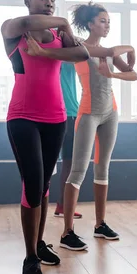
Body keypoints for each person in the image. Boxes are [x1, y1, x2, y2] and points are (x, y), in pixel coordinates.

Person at [1, 0, 89, 274]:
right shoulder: (13, 28)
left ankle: (39, 245)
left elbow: (82, 54)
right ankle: (29, 258)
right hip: (23, 117)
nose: (48, 4)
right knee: (32, 182)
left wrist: (51, 48)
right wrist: (64, 24)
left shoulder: (55, 36)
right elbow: (27, 25)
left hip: (56, 118)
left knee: (43, 186)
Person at [59, 2, 137, 251]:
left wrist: (113, 74)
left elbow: (133, 74)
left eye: (109, 21)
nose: (107, 25)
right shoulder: (80, 47)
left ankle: (100, 224)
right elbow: (106, 50)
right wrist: (122, 49)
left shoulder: (107, 51)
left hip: (110, 113)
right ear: (91, 23)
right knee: (78, 171)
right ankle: (67, 231)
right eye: (102, 21)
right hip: (88, 114)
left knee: (102, 168)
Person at [54, 61, 83, 219]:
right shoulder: (60, 57)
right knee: (68, 162)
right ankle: (62, 205)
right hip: (64, 113)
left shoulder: (70, 55)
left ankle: (63, 205)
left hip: (71, 112)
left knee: (69, 162)